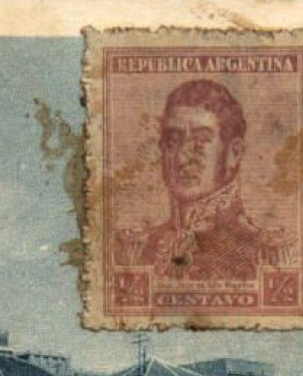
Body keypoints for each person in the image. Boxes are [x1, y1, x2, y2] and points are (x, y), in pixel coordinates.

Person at [114, 79, 288, 282]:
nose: (181, 158)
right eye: (173, 141)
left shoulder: (271, 255)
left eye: (201, 141)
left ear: (234, 153)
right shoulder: (132, 251)